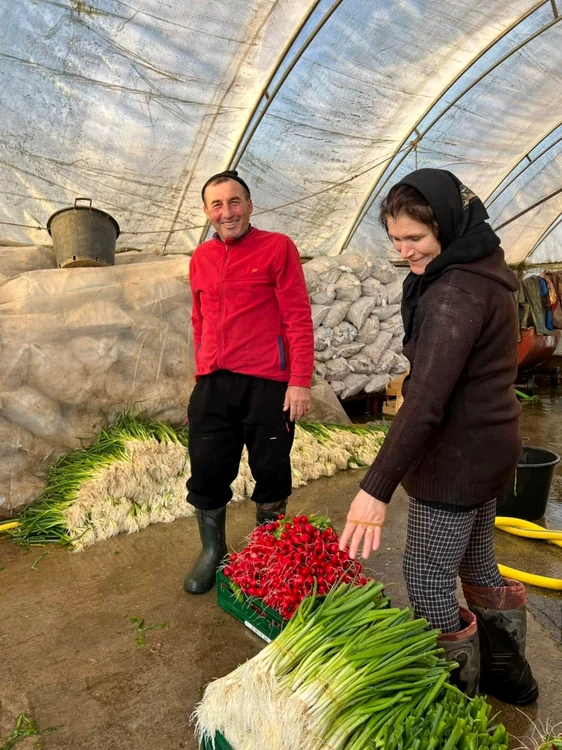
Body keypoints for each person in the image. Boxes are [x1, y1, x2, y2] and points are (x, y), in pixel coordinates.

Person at [339, 168, 538, 705]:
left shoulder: (454, 292)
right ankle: (510, 679)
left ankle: (455, 703)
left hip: (456, 456)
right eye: (396, 239)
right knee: (476, 564)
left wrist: (375, 488)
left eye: (416, 238)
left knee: (427, 579)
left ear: (446, 226)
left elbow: (425, 401)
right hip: (490, 445)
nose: (405, 251)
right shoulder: (484, 267)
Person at [184, 170, 314, 595]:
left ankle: (267, 551)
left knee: (271, 469)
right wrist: (202, 363)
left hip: (267, 384)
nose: (227, 212)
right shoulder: (201, 257)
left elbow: (297, 316)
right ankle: (212, 551)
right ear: (207, 212)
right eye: (217, 205)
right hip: (213, 384)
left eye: (234, 202)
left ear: (250, 205)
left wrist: (299, 381)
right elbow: (199, 317)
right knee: (206, 470)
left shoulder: (277, 248)